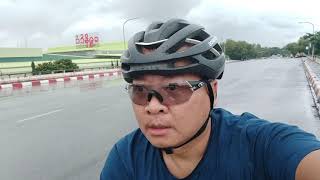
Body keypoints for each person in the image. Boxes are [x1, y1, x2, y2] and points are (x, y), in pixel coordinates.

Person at [100, 19, 320, 179]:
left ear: (212, 91)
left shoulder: (261, 145)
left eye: (174, 88)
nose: (153, 106)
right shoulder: (127, 158)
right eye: (140, 91)